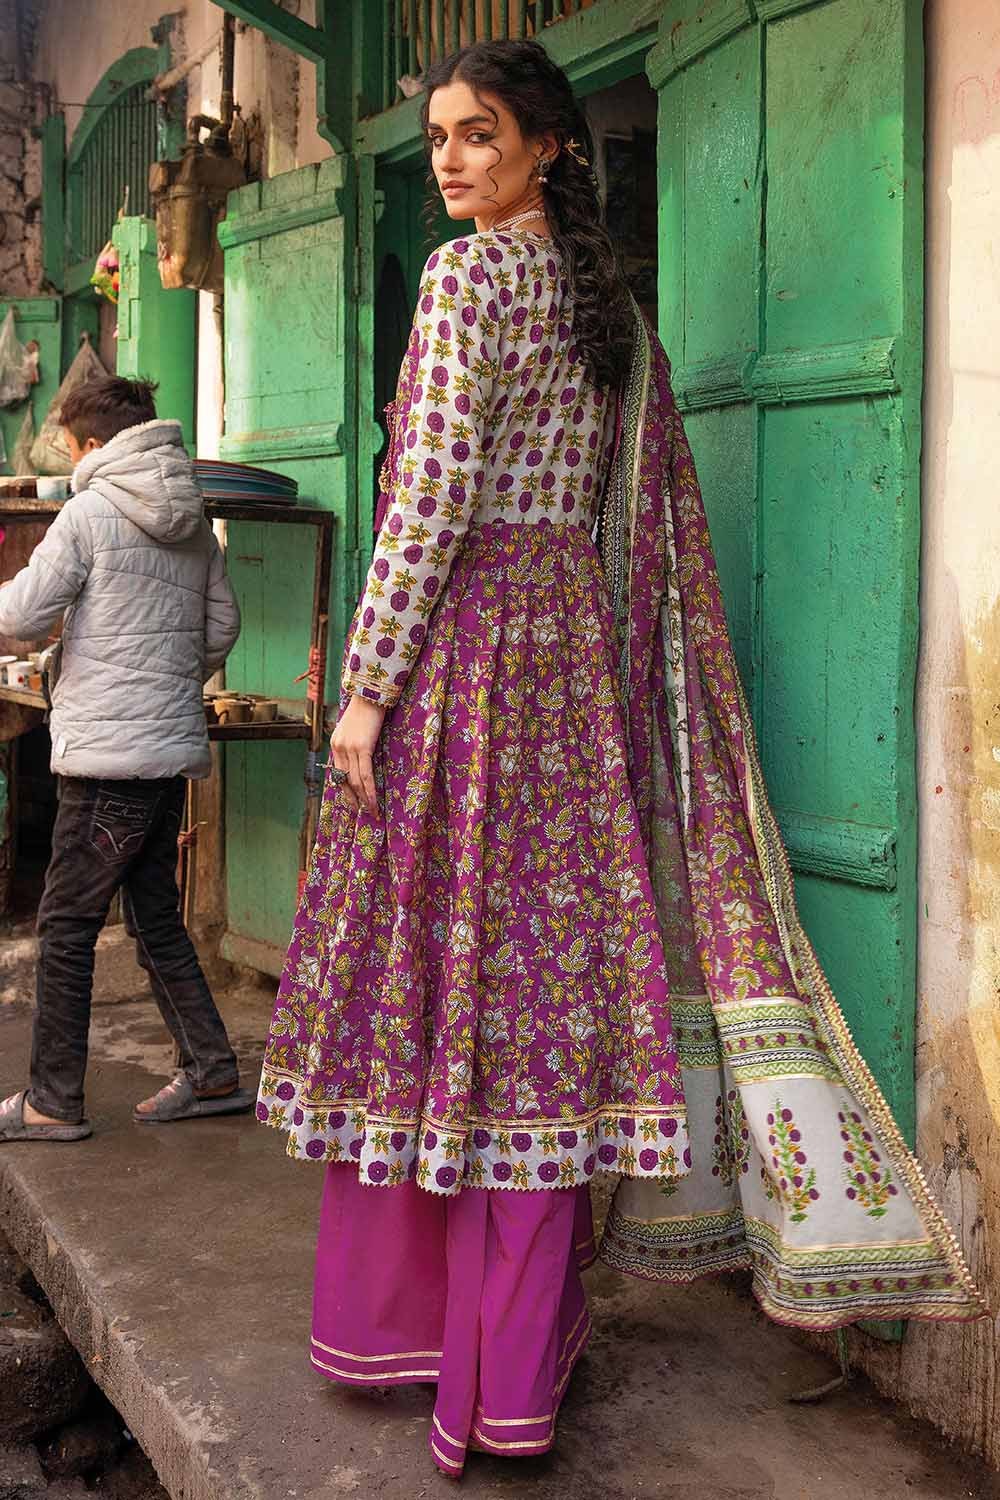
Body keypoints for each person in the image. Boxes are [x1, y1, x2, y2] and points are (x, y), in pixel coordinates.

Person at [257, 39, 985, 1480]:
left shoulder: (465, 282)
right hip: (572, 673)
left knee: (437, 984)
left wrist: (366, 691)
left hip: (465, 660)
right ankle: (510, 1369)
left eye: (479, 133)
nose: (451, 160)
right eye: (439, 136)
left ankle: (425, 1337)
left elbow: (428, 497)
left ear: (548, 147)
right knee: (535, 1003)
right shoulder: (613, 318)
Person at [0, 376, 253, 1143]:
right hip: (165, 754)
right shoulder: (194, 519)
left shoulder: (88, 512)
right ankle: (211, 1070)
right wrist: (165, 682)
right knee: (153, 916)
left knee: (66, 927)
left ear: (92, 446)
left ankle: (51, 1101)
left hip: (105, 762)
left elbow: (24, 615)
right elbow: (223, 628)